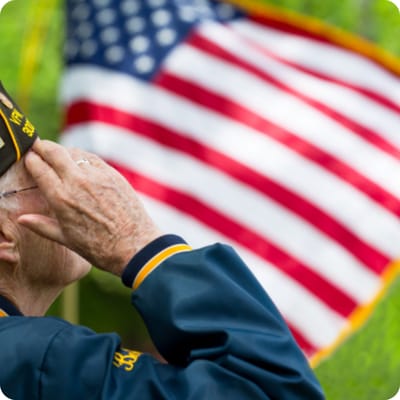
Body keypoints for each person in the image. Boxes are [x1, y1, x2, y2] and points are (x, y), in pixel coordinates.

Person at [0, 84, 325, 399]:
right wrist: (138, 244)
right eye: (41, 180)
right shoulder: (36, 361)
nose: (75, 191)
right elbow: (270, 390)